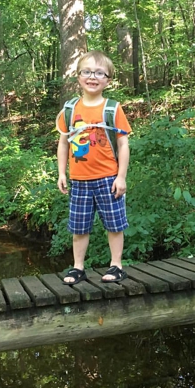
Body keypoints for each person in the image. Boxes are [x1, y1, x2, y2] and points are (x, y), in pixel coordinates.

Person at [56, 50, 132, 285]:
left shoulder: (112, 109)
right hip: (79, 179)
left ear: (108, 80)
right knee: (79, 227)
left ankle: (116, 265)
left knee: (114, 224)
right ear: (78, 76)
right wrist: (61, 173)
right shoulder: (69, 109)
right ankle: (78, 267)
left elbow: (123, 143)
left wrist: (121, 177)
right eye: (87, 71)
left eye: (100, 73)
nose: (92, 77)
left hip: (108, 178)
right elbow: (62, 143)